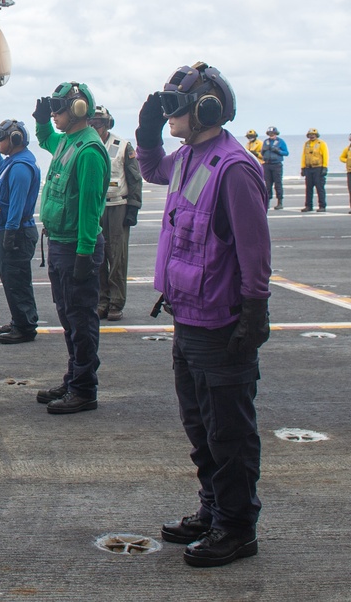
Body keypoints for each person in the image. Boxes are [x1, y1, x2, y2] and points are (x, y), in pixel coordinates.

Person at [135, 61, 270, 568]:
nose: (169, 115)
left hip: (221, 324)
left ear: (206, 109)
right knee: (200, 425)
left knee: (229, 431)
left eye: (175, 108)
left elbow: (255, 250)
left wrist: (254, 312)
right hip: (187, 317)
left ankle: (237, 527)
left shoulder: (233, 168)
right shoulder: (191, 157)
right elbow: (151, 170)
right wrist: (147, 134)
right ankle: (214, 509)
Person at [32, 82, 109, 414]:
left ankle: (84, 389)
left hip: (76, 249)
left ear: (78, 109)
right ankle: (75, 377)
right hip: (60, 245)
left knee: (81, 321)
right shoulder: (67, 142)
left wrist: (84, 253)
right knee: (69, 318)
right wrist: (40, 122)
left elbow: (91, 209)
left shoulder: (89, 151)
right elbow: (47, 139)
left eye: (59, 109)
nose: (54, 114)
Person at [0, 119, 41, 344]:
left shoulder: (20, 168)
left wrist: (10, 233)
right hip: (7, 229)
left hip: (15, 232)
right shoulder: (12, 162)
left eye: (1, 137)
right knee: (11, 279)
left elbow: (17, 204)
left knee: (16, 280)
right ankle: (20, 319)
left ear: (15, 139)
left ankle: (25, 327)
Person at [90, 105, 142, 322]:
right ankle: (102, 301)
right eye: (92, 123)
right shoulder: (88, 146)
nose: (95, 127)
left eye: (99, 123)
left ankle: (116, 303)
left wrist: (133, 207)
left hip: (118, 206)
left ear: (107, 124)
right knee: (98, 257)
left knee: (117, 257)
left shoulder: (122, 146)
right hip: (96, 208)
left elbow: (134, 178)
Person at [300, 127, 328, 212]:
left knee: (320, 188)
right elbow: (303, 156)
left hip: (318, 168)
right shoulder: (306, 144)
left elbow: (325, 155)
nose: (312, 136)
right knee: (308, 188)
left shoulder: (321, 143)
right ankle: (308, 206)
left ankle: (322, 206)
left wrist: (324, 167)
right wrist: (303, 167)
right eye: (310, 135)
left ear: (316, 135)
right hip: (308, 168)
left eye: (313, 135)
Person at [261, 126, 288, 210]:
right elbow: (262, 153)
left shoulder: (280, 142)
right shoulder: (266, 142)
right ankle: (267, 202)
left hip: (276, 165)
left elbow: (286, 153)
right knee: (267, 185)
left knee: (278, 184)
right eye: (270, 134)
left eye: (273, 134)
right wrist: (264, 150)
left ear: (276, 134)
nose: (271, 135)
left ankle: (280, 202)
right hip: (267, 165)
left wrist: (278, 151)